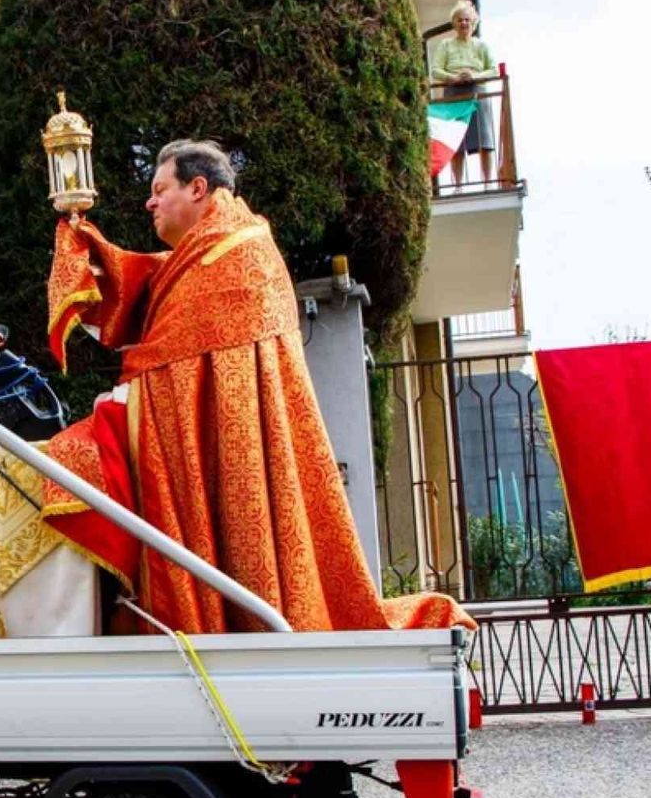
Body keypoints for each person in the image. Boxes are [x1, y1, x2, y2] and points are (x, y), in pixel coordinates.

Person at [41, 139, 472, 635]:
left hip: (236, 444)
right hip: (202, 435)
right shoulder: (206, 252)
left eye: (160, 189)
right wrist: (86, 250)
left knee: (75, 453)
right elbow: (145, 288)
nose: (149, 202)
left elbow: (169, 358)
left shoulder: (239, 251)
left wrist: (121, 400)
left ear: (198, 188)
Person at [431, 0, 499, 187]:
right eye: (460, 20)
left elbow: (493, 71)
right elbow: (436, 70)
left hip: (477, 91)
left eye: (467, 20)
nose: (464, 24)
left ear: (473, 23)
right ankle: (458, 186)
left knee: (484, 138)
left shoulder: (481, 46)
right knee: (456, 140)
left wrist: (475, 75)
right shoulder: (446, 45)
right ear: (454, 23)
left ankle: (488, 182)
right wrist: (452, 77)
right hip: (453, 92)